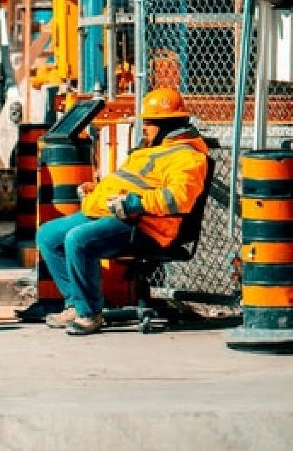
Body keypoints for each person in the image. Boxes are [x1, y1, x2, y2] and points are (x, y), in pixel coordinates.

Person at [32, 87, 208, 335]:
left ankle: (89, 314)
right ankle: (75, 302)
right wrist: (97, 191)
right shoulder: (150, 150)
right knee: (48, 235)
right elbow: (128, 181)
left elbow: (179, 199)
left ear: (166, 125)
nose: (144, 128)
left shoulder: (189, 158)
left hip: (145, 226)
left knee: (78, 240)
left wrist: (137, 203)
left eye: (148, 123)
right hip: (114, 213)